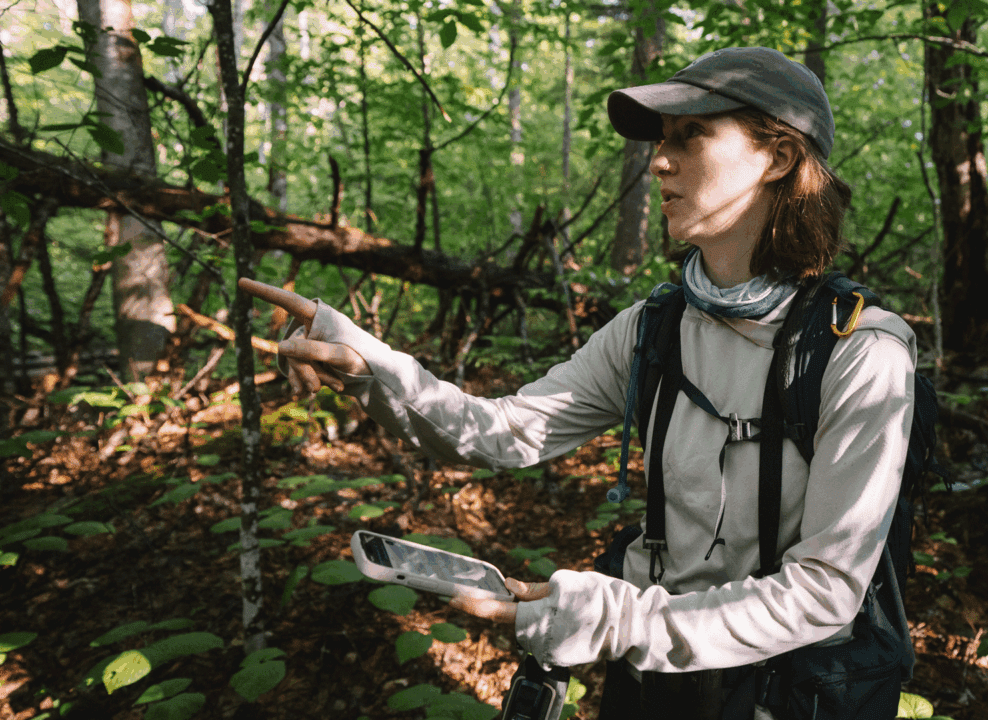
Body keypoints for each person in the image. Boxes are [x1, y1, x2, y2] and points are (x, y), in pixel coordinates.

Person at [242, 46, 916, 720]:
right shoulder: (655, 328)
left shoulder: (860, 353)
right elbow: (506, 430)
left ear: (778, 158)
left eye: (693, 135)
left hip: (788, 696)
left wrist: (616, 621)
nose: (658, 161)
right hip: (654, 687)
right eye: (659, 141)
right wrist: (370, 364)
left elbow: (825, 592)